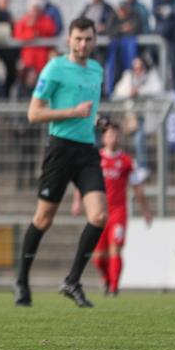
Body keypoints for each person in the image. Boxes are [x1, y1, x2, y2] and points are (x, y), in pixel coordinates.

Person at [14, 17, 105, 309]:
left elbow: (88, 112)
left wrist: (97, 121)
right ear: (69, 39)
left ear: (94, 39)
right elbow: (34, 113)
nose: (83, 44)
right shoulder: (54, 68)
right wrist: (72, 112)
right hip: (61, 149)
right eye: (78, 38)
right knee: (43, 219)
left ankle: (73, 280)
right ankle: (22, 281)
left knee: (99, 216)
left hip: (87, 150)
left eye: (88, 39)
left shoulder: (97, 69)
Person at [71, 120, 152, 296]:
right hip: (98, 212)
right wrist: (77, 201)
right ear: (103, 138)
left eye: (116, 134)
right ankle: (107, 279)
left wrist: (145, 210)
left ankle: (114, 287)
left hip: (118, 212)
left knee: (115, 248)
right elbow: (82, 180)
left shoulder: (127, 161)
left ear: (120, 137)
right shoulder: (95, 158)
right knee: (98, 257)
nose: (113, 137)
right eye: (109, 134)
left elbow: (137, 188)